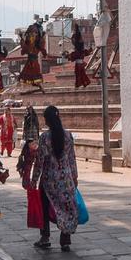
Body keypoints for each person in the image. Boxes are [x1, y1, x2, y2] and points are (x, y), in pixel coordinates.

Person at [28, 105, 79, 252]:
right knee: (67, 207)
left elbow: (40, 161)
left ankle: (45, 237)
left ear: (48, 120)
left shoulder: (45, 137)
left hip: (49, 180)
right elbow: (72, 159)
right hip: (66, 179)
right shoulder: (68, 136)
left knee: (45, 207)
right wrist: (75, 177)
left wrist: (34, 179)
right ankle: (65, 239)